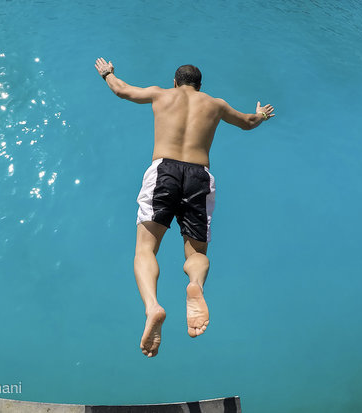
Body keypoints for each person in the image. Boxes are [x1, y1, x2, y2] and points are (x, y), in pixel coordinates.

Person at [94, 57, 275, 358]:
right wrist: (260, 115)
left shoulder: (161, 93)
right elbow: (247, 122)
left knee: (145, 251)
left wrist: (107, 74)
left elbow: (122, 90)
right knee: (197, 254)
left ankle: (153, 307)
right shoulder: (215, 104)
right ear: (200, 86)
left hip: (163, 171)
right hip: (199, 177)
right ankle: (195, 285)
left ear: (175, 82)